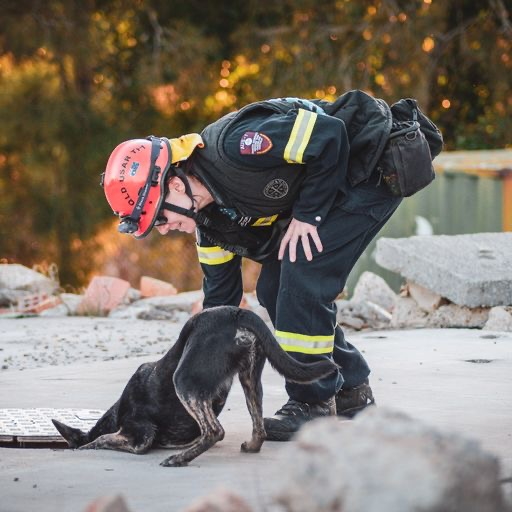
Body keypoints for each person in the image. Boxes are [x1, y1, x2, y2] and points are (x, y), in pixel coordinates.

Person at [101, 89, 434, 441]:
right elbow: (221, 307)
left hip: (369, 166)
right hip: (332, 187)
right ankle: (350, 390)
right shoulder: (211, 224)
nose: (165, 229)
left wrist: (308, 215)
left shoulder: (237, 146)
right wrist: (197, 387)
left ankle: (314, 404)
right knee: (273, 288)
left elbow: (331, 134)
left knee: (303, 272)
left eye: (160, 217)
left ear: (173, 183)